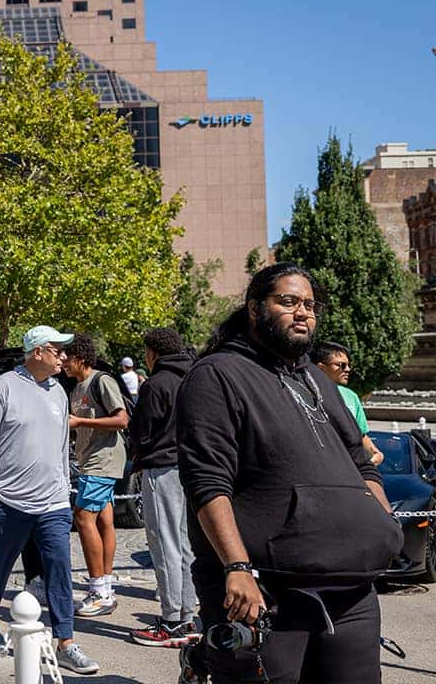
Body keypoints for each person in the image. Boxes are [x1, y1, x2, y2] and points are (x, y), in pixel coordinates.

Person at [177, 263, 402, 684]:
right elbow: (207, 482)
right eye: (288, 302)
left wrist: (382, 521)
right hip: (266, 596)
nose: (303, 312)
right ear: (254, 308)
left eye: (310, 305)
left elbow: (359, 457)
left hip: (351, 593)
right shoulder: (216, 375)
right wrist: (236, 567)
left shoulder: (316, 378)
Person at [0, 326, 100, 675]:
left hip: (53, 503)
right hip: (9, 502)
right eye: (57, 350)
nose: (63, 356)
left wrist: (64, 487)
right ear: (38, 352)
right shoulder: (3, 388)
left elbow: (62, 445)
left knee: (59, 568)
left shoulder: (59, 391)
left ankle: (66, 642)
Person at [126, 328, 200, 647]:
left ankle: (171, 621)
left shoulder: (156, 384)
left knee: (164, 542)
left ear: (152, 353)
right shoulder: (195, 379)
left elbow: (141, 430)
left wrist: (136, 449)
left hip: (161, 467)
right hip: (191, 466)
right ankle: (187, 614)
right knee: (184, 543)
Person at [63, 334, 129, 617]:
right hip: (90, 460)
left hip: (103, 462)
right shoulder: (76, 388)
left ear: (80, 358)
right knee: (104, 520)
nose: (64, 363)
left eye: (67, 358)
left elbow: (121, 419)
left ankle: (98, 591)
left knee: (83, 517)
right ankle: (105, 586)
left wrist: (80, 422)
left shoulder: (102, 381)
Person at [312, 341, 385, 465]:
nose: (348, 369)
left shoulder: (351, 396)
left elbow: (360, 435)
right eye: (341, 365)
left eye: (348, 365)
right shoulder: (304, 393)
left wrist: (376, 454)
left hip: (349, 468)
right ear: (321, 368)